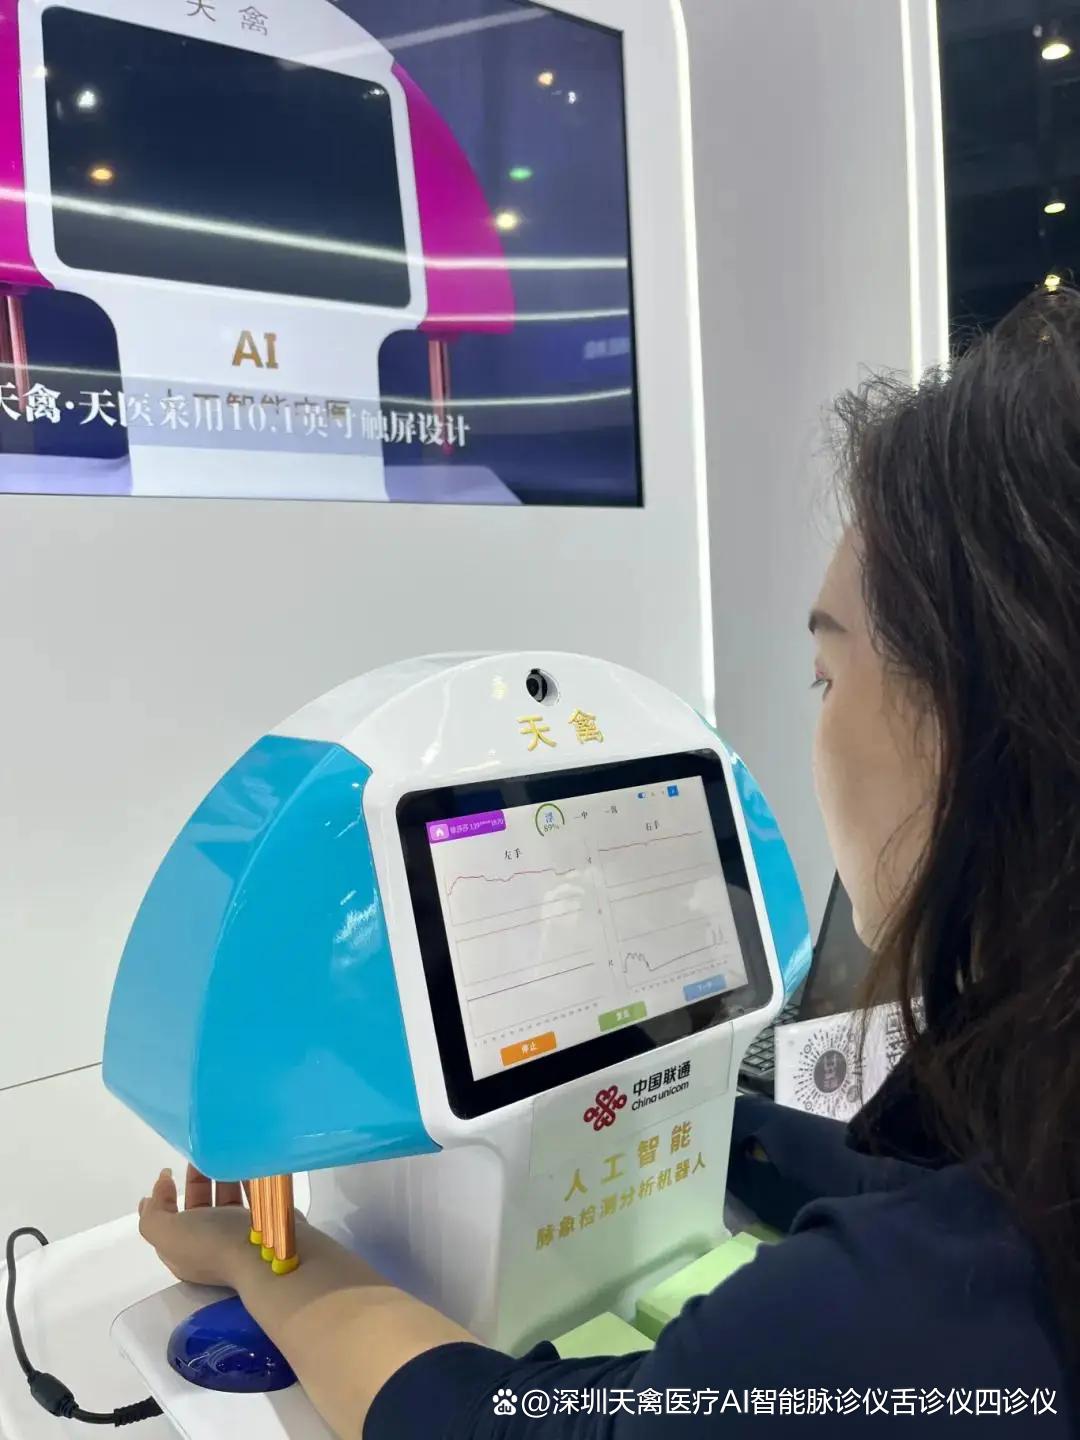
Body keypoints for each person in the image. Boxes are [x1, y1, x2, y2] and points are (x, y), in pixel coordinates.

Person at [138, 291, 1080, 1435]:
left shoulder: (902, 1325)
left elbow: (498, 1425)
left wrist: (265, 1259)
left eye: (827, 676)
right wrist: (703, 1132)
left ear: (978, 731)